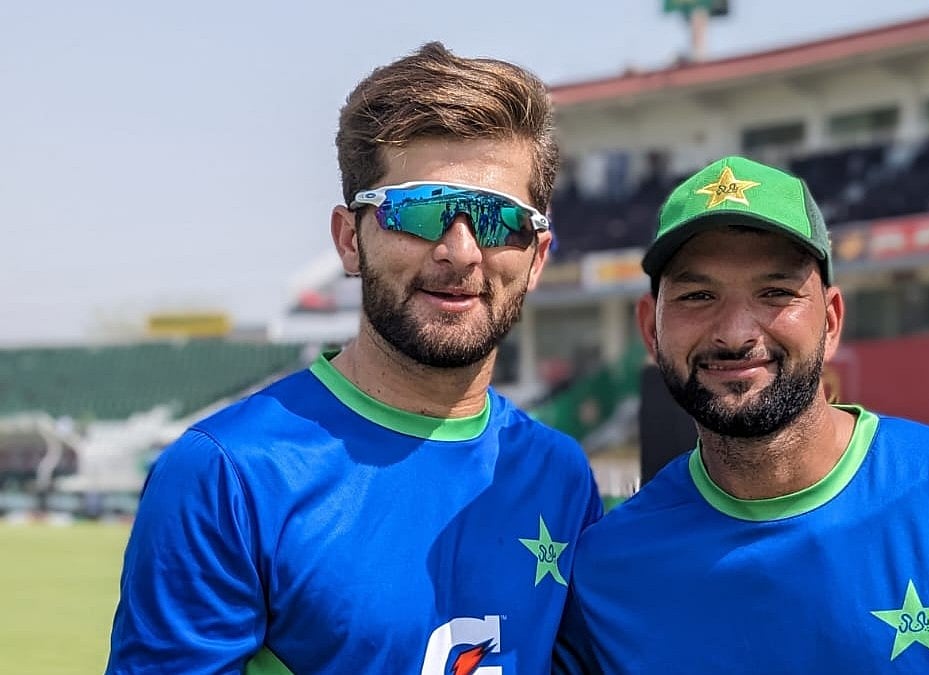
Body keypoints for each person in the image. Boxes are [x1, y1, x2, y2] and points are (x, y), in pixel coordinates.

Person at [107, 42, 603, 674]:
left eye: (497, 217)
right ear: (349, 240)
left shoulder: (558, 473)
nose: (460, 251)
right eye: (418, 211)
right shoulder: (229, 474)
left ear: (535, 257)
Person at [556, 156, 929, 673]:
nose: (734, 333)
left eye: (775, 292)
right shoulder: (607, 567)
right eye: (697, 297)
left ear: (830, 321)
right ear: (649, 332)